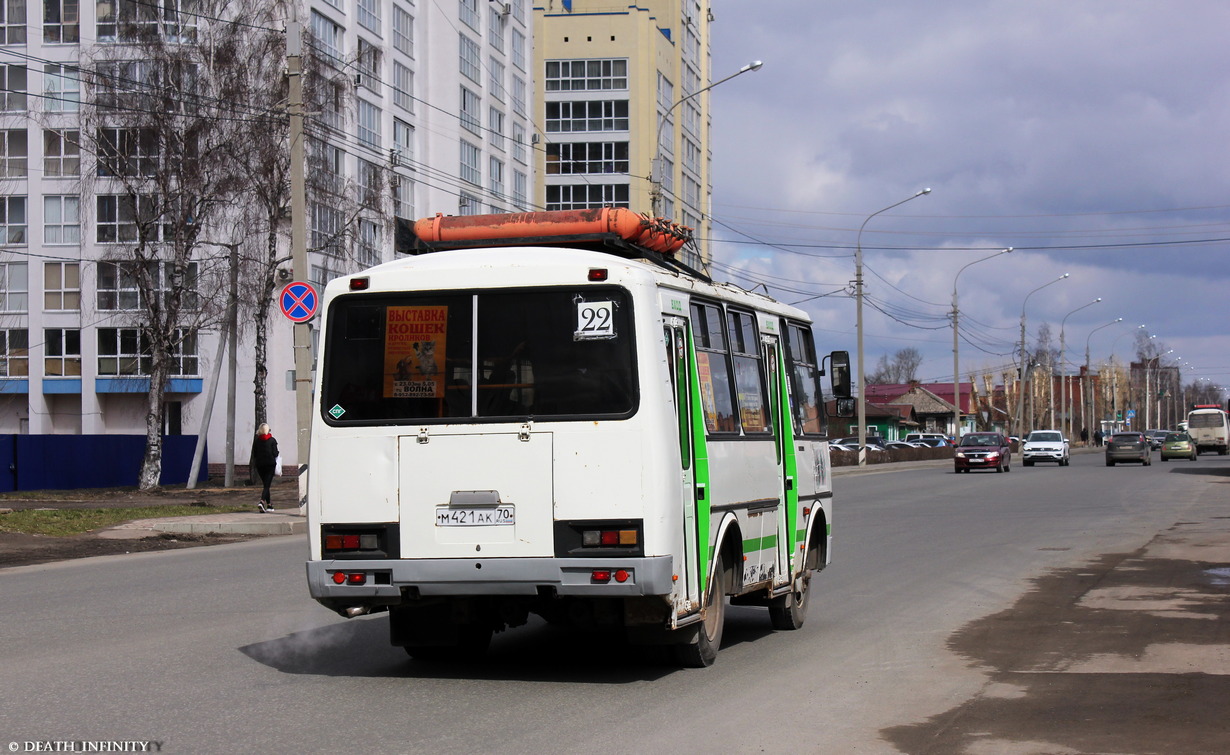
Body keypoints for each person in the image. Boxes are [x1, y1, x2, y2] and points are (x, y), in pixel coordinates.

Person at [250, 423, 279, 513]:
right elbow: (275, 453)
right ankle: (262, 502)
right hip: (270, 465)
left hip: (260, 465)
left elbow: (254, 453)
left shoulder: (257, 441)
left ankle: (269, 505)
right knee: (267, 485)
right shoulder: (272, 440)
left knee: (266, 485)